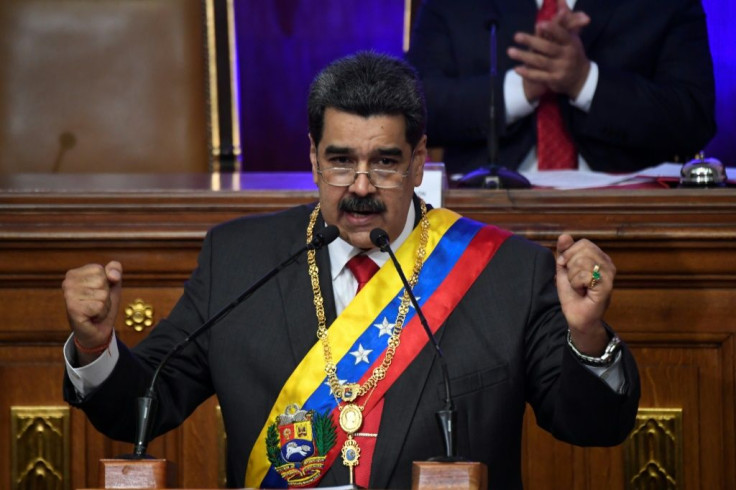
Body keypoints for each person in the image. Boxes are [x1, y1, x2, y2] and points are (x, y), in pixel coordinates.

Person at [62, 51, 639, 489]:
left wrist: (586, 335)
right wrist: (96, 347)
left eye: (384, 162)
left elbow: (593, 428)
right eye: (341, 161)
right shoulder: (237, 259)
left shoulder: (507, 270)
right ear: (312, 158)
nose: (361, 187)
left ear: (418, 162)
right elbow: (143, 406)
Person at [405, 0, 717, 175]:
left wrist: (584, 80)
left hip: (627, 212)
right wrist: (522, 87)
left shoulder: (667, 6)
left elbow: (693, 117)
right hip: (484, 216)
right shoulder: (450, 6)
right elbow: (414, 109)